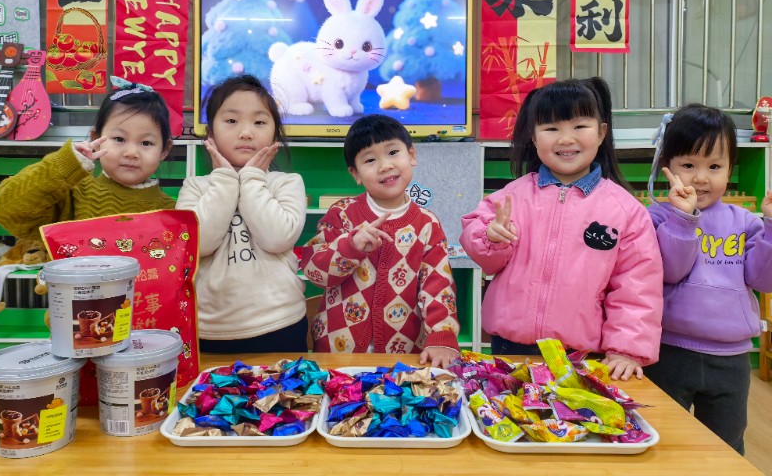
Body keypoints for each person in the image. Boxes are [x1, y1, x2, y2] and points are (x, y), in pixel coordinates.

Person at [460, 78, 663, 380]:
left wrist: (626, 349)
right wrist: (491, 238)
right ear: (533, 136)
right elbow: (482, 251)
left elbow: (637, 287)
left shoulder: (625, 210)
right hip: (510, 347)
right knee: (510, 409)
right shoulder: (512, 196)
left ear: (601, 132)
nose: (566, 139)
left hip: (581, 355)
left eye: (579, 126)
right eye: (552, 129)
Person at [644, 104, 772, 454]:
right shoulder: (656, 217)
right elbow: (671, 271)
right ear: (666, 165)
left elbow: (763, 281)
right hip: (668, 352)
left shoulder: (746, 221)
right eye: (688, 165)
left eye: (714, 166)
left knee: (726, 446)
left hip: (731, 359)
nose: (701, 178)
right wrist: (683, 218)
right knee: (662, 443)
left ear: (730, 169)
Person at [301, 114, 460, 368]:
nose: (385, 166)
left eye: (393, 152)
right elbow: (314, 271)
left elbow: (437, 284)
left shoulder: (427, 223)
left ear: (412, 155)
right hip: (337, 353)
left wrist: (442, 335)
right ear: (355, 173)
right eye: (370, 160)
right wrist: (350, 246)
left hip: (403, 356)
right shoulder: (342, 213)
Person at [176, 75, 308, 354]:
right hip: (208, 329)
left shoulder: (287, 183)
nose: (246, 132)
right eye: (231, 121)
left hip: (280, 323)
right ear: (210, 134)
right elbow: (199, 244)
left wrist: (251, 179)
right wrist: (225, 179)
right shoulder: (195, 187)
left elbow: (277, 238)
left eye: (259, 122)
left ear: (274, 134)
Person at [0, 77, 175, 242]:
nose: (131, 152)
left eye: (146, 143)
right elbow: (7, 210)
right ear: (96, 138)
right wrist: (64, 165)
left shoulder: (172, 212)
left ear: (164, 150)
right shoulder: (75, 193)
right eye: (119, 139)